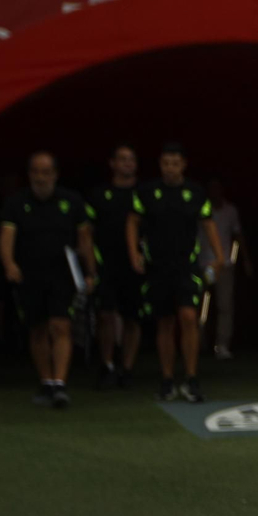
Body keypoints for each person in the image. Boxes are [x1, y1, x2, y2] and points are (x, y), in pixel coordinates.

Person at [127, 143, 224, 404]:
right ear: (161, 165)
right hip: (157, 267)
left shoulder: (194, 192)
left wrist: (219, 256)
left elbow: (208, 224)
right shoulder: (147, 192)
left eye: (175, 163)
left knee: (189, 316)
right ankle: (168, 379)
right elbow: (133, 221)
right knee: (165, 322)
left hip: (186, 266)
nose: (170, 168)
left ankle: (191, 378)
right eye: (166, 163)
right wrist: (134, 252)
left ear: (183, 165)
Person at [0, 151, 95, 408]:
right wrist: (9, 264)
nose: (41, 178)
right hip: (29, 275)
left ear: (55, 174)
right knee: (38, 329)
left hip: (62, 275)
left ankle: (61, 383)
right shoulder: (16, 203)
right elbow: (7, 237)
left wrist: (90, 272)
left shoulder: (72, 201)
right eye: (36, 172)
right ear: (30, 174)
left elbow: (84, 240)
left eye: (46, 172)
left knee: (61, 326)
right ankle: (47, 381)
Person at [90, 144, 144, 388]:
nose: (127, 164)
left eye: (131, 159)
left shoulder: (144, 194)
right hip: (106, 265)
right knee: (105, 315)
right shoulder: (99, 195)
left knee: (133, 318)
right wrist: (91, 264)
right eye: (122, 159)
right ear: (112, 163)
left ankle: (128, 369)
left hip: (135, 266)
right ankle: (108, 365)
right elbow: (87, 233)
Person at [201, 179, 246, 361]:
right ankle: (197, 345)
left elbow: (238, 234)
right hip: (201, 263)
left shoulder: (230, 211)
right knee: (199, 307)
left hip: (224, 264)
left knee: (224, 306)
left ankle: (222, 346)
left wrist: (246, 260)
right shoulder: (200, 208)